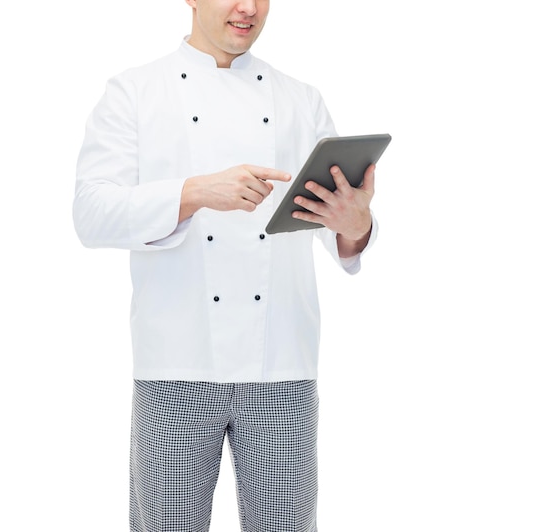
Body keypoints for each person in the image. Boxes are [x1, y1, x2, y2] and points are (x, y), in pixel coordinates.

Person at [74, 1, 377, 530]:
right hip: (175, 368)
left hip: (282, 366)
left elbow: (341, 240)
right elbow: (91, 214)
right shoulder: (134, 91)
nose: (249, 8)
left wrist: (355, 225)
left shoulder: (301, 100)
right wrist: (194, 192)